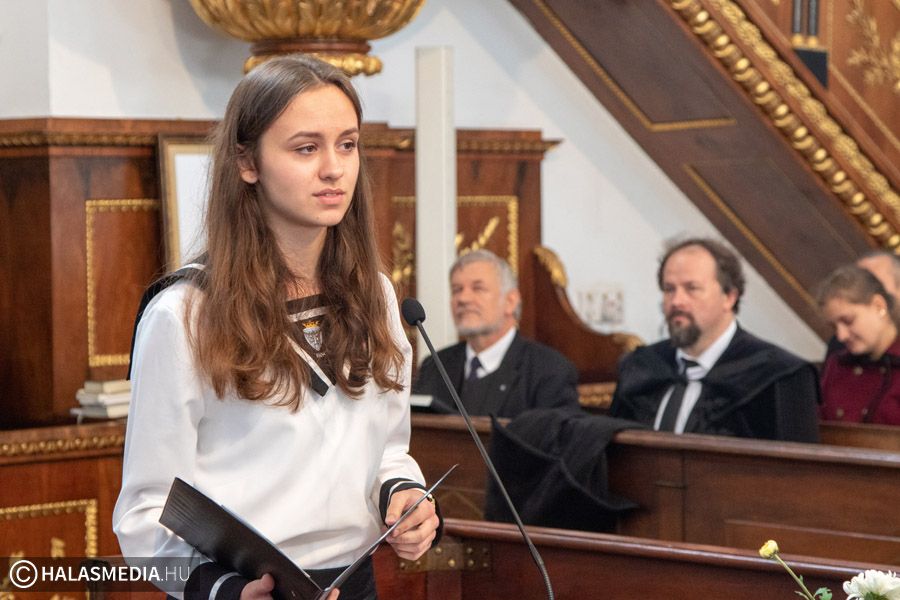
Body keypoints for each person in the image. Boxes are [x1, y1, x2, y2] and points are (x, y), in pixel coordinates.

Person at [113, 55, 439, 600]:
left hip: (356, 581)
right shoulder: (184, 314)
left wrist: (403, 495)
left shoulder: (376, 293)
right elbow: (145, 513)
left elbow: (386, 449)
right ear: (248, 162)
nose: (334, 168)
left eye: (348, 144)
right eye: (306, 148)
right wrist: (224, 589)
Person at [609, 238, 820, 441]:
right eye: (669, 289)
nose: (677, 301)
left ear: (729, 297)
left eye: (692, 288)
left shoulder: (780, 375)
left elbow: (797, 464)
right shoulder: (641, 366)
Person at [412, 249, 581, 418]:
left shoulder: (550, 371)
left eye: (478, 288)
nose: (463, 299)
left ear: (510, 301)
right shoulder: (434, 366)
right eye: (456, 290)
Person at [817, 264, 900, 424]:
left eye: (848, 321)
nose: (841, 336)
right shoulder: (837, 364)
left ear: (878, 306)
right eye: (834, 327)